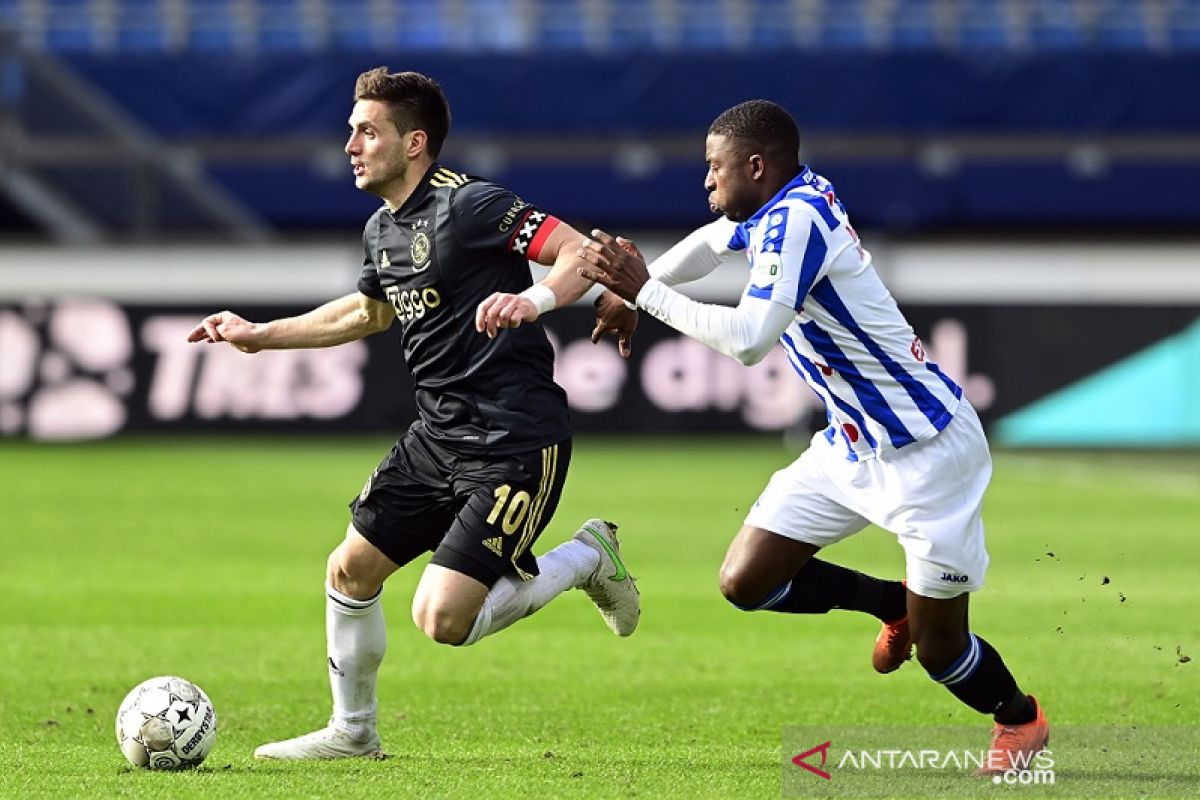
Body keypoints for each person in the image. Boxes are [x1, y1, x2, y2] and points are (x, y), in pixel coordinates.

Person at [575, 100, 1048, 775]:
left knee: (945, 654)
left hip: (927, 455)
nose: (707, 182)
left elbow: (748, 341)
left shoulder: (796, 221)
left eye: (715, 169)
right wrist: (632, 294)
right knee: (746, 582)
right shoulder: (781, 204)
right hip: (849, 448)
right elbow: (712, 241)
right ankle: (893, 604)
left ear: (756, 166)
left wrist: (644, 291)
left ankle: (1020, 719)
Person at [186, 67, 639, 760]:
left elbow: (583, 252)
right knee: (350, 570)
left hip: (515, 439)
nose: (350, 145)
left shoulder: (473, 205)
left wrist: (536, 300)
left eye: (367, 131)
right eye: (350, 131)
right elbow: (368, 311)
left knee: (444, 619)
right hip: (436, 435)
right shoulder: (380, 228)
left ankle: (584, 558)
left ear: (415, 142)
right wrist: (261, 333)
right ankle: (352, 732)